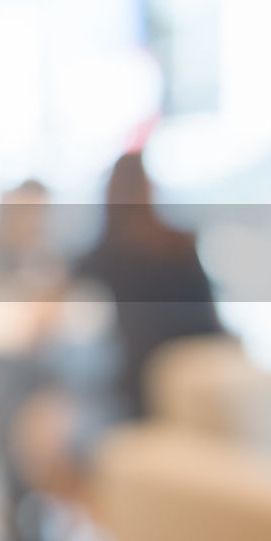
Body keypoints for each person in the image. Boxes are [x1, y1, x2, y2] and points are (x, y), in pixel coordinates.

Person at [75, 152, 222, 419]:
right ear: (149, 188)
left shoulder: (101, 257)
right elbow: (210, 316)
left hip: (138, 384)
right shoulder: (181, 243)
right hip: (198, 365)